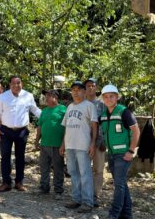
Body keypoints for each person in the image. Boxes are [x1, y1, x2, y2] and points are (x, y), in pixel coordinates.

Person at [0, 75, 41, 192]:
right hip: (6, 131)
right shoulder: (3, 97)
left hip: (22, 131)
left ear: (22, 84)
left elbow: (35, 110)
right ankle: (6, 182)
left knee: (20, 157)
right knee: (5, 157)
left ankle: (19, 182)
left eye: (18, 83)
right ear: (9, 85)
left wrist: (47, 117)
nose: (16, 85)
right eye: (13, 83)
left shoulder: (28, 96)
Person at [100, 84, 140, 219]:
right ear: (103, 99)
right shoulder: (104, 115)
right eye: (105, 97)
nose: (108, 99)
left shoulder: (124, 112)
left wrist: (131, 150)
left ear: (117, 97)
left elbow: (136, 130)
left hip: (123, 155)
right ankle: (127, 214)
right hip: (111, 155)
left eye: (111, 96)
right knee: (121, 184)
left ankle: (114, 214)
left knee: (118, 185)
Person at [59, 81, 98, 213]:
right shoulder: (69, 107)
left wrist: (93, 144)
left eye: (79, 89)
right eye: (73, 89)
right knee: (73, 173)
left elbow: (94, 126)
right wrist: (63, 144)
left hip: (83, 145)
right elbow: (66, 127)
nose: (76, 92)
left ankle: (88, 202)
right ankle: (76, 199)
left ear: (84, 92)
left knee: (85, 174)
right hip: (70, 145)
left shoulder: (89, 106)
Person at [34, 89, 66, 200]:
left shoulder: (63, 109)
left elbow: (67, 127)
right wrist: (37, 140)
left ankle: (58, 190)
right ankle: (44, 187)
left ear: (55, 97)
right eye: (45, 96)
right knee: (44, 167)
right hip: (44, 144)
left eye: (48, 95)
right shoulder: (44, 111)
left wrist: (64, 144)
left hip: (57, 144)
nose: (46, 98)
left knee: (58, 168)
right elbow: (39, 126)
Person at [84, 78, 106, 207]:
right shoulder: (80, 103)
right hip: (83, 141)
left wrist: (103, 141)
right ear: (84, 88)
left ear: (96, 88)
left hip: (99, 142)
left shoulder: (101, 105)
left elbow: (104, 124)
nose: (90, 88)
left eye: (93, 85)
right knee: (84, 169)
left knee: (98, 169)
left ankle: (95, 195)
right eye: (88, 85)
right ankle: (84, 193)